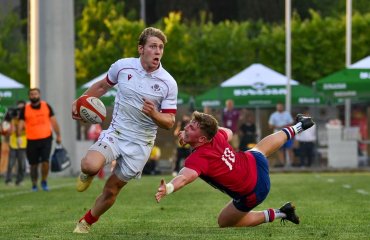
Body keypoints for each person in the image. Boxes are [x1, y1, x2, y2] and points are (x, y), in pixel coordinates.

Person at [72, 27, 178, 234]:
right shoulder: (122, 67)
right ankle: (88, 173)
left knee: (111, 190)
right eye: (153, 46)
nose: (158, 51)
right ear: (141, 49)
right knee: (89, 165)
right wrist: (79, 103)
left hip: (141, 144)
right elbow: (102, 86)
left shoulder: (168, 83)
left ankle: (86, 221)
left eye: (161, 47)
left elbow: (169, 122)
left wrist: (155, 114)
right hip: (117, 133)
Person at [155, 111, 314, 227]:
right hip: (253, 162)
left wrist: (168, 188)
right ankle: (300, 125)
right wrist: (194, 134)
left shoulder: (198, 158)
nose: (186, 128)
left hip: (254, 189)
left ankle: (282, 213)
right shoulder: (215, 136)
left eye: (192, 128)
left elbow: (183, 178)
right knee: (259, 149)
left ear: (202, 138)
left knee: (224, 222)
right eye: (189, 125)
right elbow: (229, 132)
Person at [17, 88, 62, 191]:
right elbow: (20, 125)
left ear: (39, 95)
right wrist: (19, 137)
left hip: (46, 138)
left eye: (35, 94)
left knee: (45, 161)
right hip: (31, 140)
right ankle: (34, 184)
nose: (34, 96)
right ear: (29, 96)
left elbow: (54, 122)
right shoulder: (25, 109)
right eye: (32, 94)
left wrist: (58, 135)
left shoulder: (46, 106)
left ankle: (44, 181)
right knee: (33, 164)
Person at [5, 101, 27, 186]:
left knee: (22, 164)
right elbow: (8, 130)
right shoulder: (12, 118)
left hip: (23, 143)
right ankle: (8, 180)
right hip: (13, 143)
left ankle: (19, 180)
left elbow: (26, 127)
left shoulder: (26, 118)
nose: (20, 111)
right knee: (11, 163)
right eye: (18, 109)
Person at [268, 103, 294, 167]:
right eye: (278, 107)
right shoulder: (273, 115)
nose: (279, 108)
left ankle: (291, 163)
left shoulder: (287, 114)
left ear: (283, 107)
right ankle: (283, 164)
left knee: (289, 148)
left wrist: (284, 126)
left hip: (287, 134)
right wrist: (277, 127)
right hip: (278, 135)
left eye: (280, 106)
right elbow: (270, 126)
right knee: (280, 150)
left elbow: (291, 123)